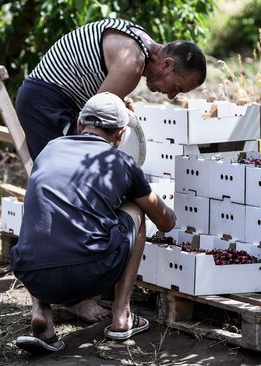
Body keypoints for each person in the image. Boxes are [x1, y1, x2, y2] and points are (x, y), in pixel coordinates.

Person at [11, 92, 176, 353]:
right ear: (120, 135)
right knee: (136, 209)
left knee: (43, 212)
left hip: (33, 275)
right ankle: (122, 316)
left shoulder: (49, 150)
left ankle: (41, 310)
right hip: (91, 272)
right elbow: (166, 223)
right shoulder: (121, 161)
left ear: (79, 125)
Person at [16, 18, 207, 161]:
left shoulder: (138, 38)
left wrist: (118, 107)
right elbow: (94, 122)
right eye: (175, 87)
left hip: (51, 98)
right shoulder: (132, 62)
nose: (172, 95)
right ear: (167, 64)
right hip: (45, 102)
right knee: (60, 178)